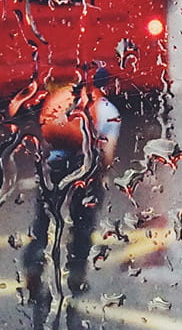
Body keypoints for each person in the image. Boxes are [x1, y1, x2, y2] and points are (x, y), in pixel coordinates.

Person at [22, 70, 122, 301]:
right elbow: (107, 152)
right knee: (82, 223)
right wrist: (100, 175)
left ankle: (34, 265)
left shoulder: (61, 99)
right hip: (85, 171)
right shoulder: (107, 110)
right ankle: (76, 274)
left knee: (44, 220)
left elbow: (45, 132)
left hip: (55, 166)